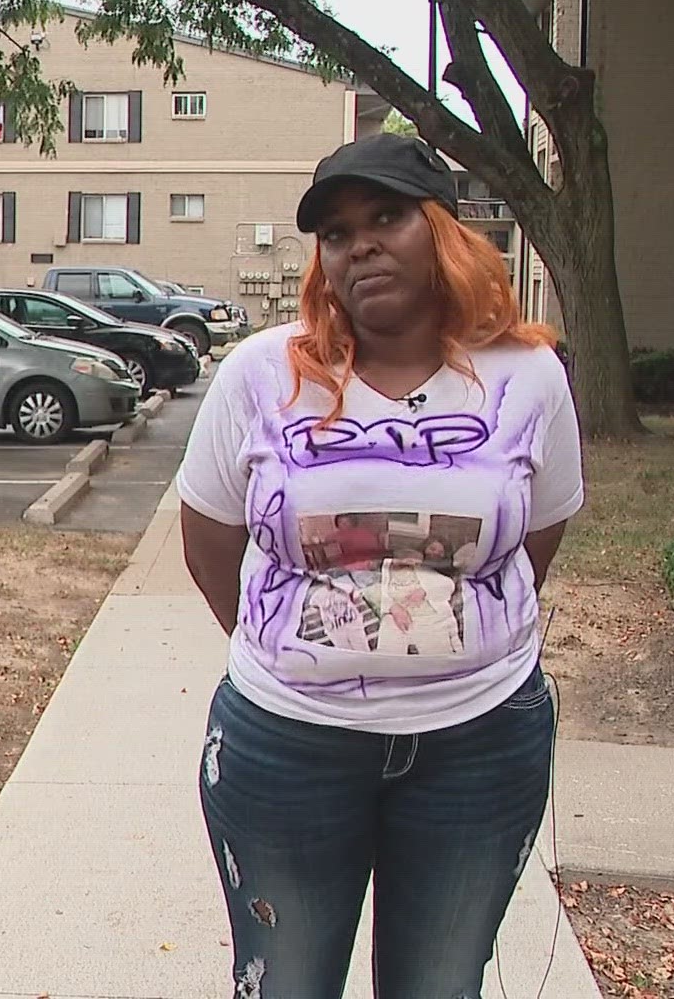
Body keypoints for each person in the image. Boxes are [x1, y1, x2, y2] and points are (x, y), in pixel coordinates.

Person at [177, 133, 583, 998]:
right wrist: (301, 654)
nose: (357, 244)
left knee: (439, 987)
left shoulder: (529, 376)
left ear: (442, 231)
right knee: (282, 984)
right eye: (334, 232)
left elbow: (536, 537)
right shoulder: (261, 374)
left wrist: (453, 643)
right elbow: (210, 539)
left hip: (479, 745)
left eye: (385, 217)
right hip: (288, 746)